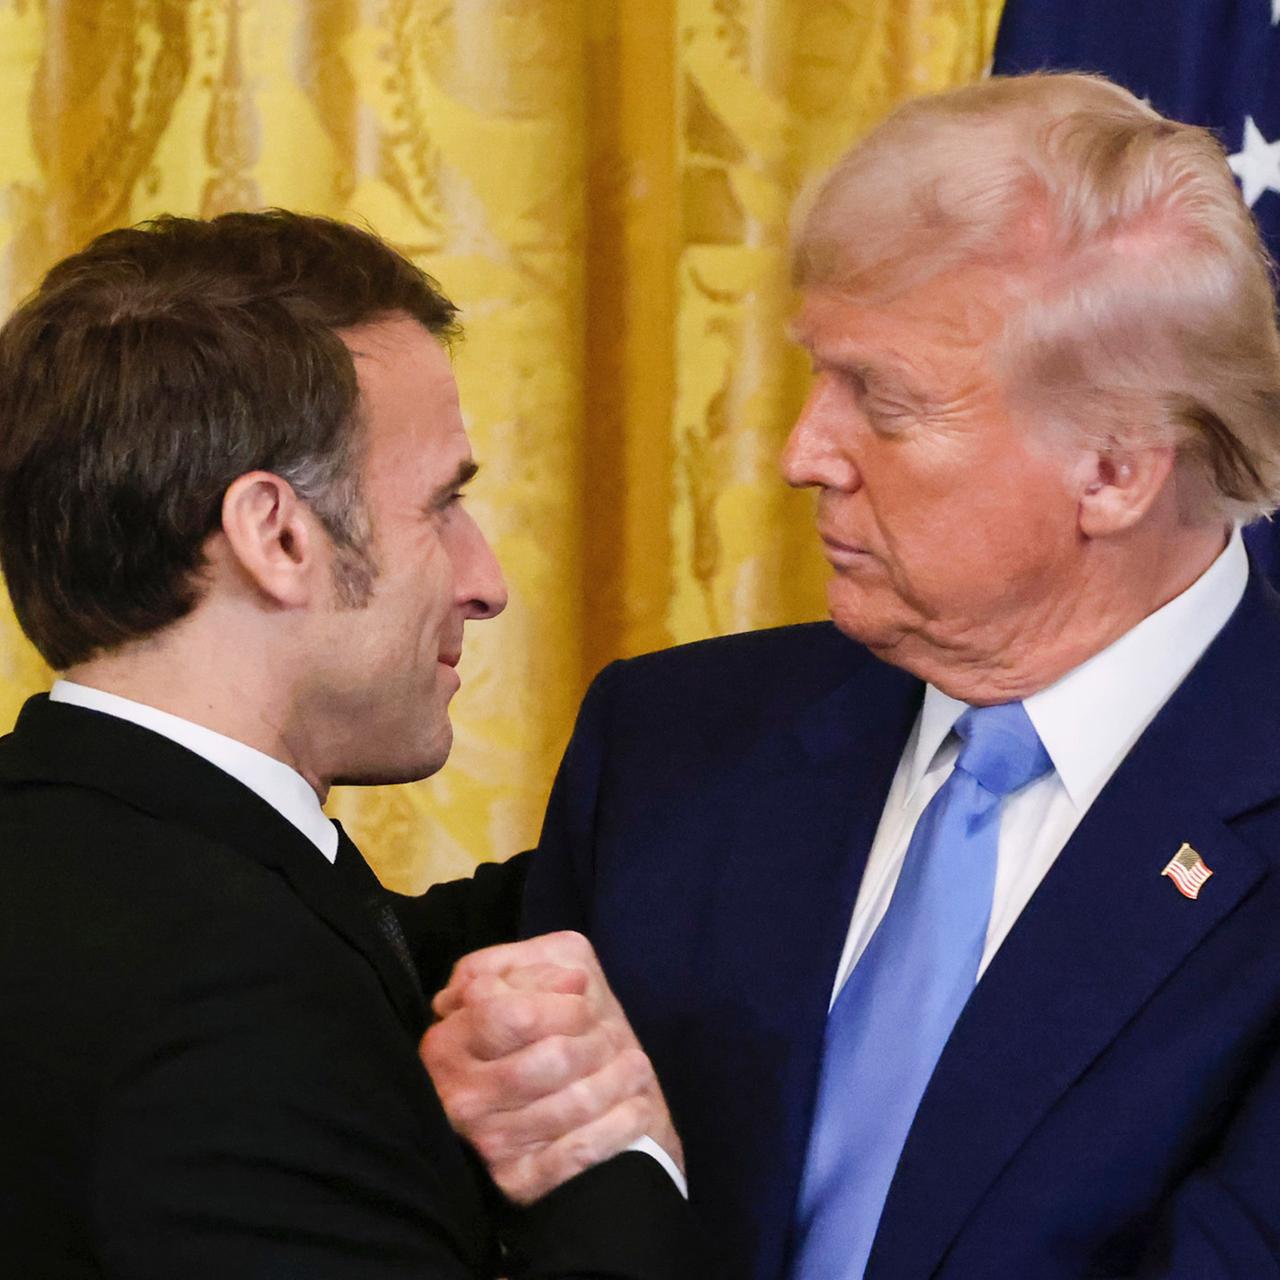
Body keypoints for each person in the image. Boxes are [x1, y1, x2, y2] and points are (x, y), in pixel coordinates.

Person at [434, 73, 1280, 1279]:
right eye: (816, 374)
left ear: (1111, 468)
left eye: (877, 400)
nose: (799, 452)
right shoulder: (673, 741)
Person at [0, 210, 693, 1278]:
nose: (486, 579)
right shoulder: (228, 995)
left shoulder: (101, 863)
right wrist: (613, 1169)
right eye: (442, 504)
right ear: (276, 535)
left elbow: (365, 940)